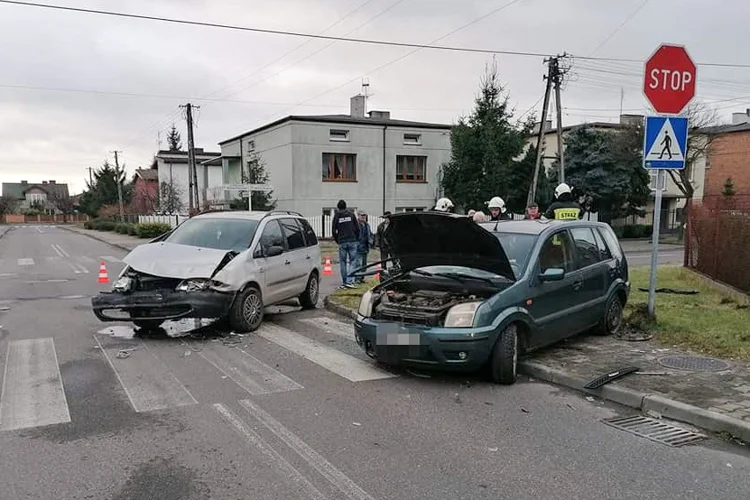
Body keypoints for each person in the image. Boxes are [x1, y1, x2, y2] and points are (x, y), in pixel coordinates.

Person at [331, 199, 360, 289]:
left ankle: (345, 282)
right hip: (352, 240)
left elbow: (333, 230)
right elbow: (357, 228)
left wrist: (337, 240)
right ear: (346, 206)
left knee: (343, 262)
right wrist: (356, 238)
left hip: (342, 242)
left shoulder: (337, 216)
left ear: (338, 208)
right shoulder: (351, 215)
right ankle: (350, 281)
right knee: (353, 261)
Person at [355, 212, 373, 284]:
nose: (363, 217)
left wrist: (371, 242)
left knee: (364, 264)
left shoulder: (367, 225)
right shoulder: (356, 224)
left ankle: (362, 277)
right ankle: (357, 278)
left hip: (365, 247)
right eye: (362, 216)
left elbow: (370, 234)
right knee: (358, 264)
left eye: (365, 216)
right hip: (358, 247)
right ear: (358, 216)